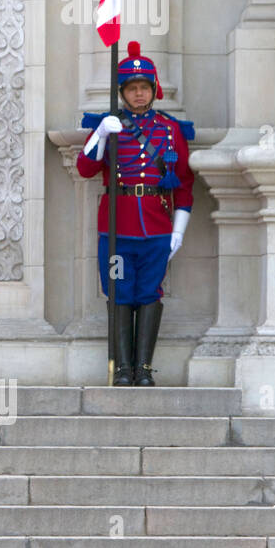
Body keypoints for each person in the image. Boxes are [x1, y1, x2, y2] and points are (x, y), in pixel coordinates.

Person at [76, 41, 194, 386]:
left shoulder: (171, 131)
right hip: (117, 228)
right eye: (132, 88)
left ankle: (143, 369)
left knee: (148, 294)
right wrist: (99, 133)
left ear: (154, 89)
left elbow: (184, 183)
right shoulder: (109, 126)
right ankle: (123, 369)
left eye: (144, 87)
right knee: (120, 293)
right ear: (122, 93)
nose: (139, 94)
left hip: (156, 227)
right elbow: (85, 168)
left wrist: (179, 229)